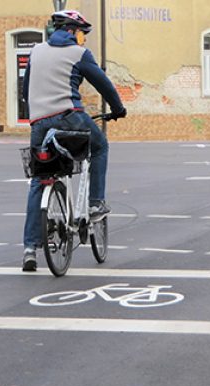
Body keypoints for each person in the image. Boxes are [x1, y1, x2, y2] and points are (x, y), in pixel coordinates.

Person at [21, 9, 127, 272]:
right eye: (82, 34)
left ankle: (30, 249)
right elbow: (103, 85)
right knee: (99, 146)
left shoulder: (35, 51)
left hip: (38, 123)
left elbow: (25, 91)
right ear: (71, 31)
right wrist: (118, 108)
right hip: (69, 117)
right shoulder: (79, 54)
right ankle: (95, 204)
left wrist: (37, 113)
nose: (84, 40)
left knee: (40, 177)